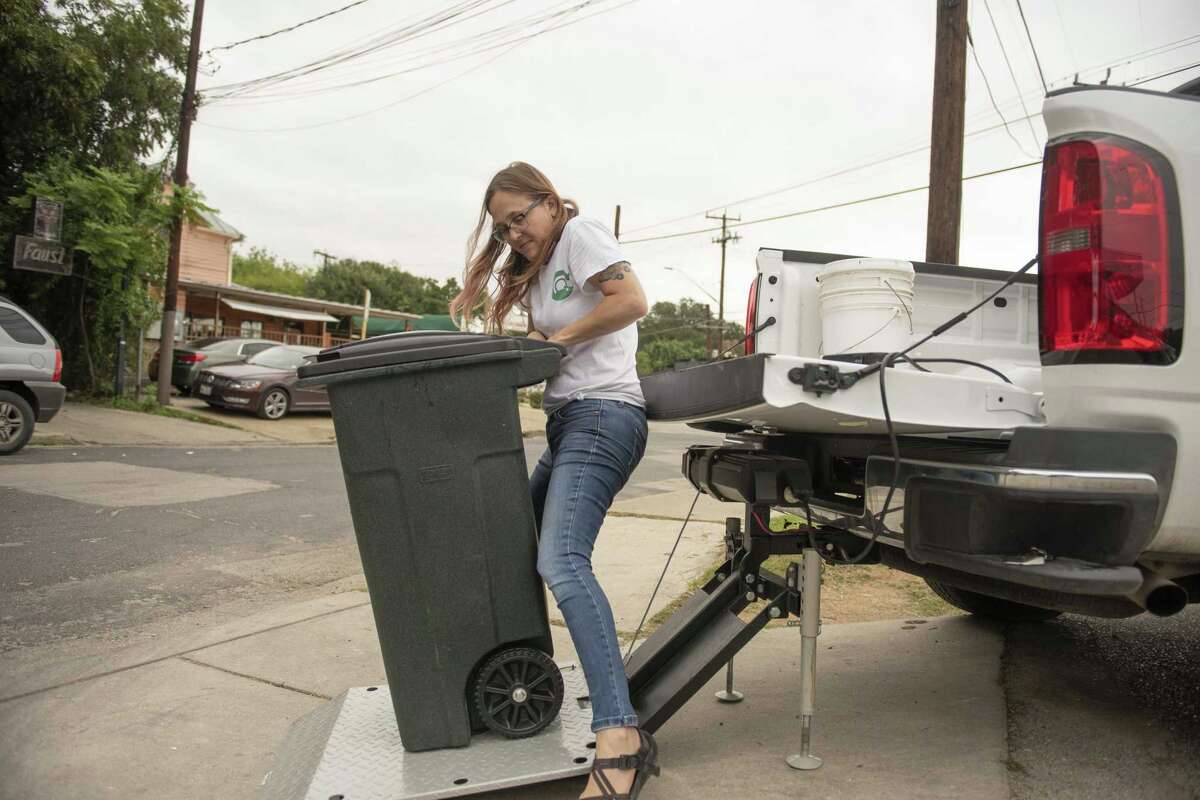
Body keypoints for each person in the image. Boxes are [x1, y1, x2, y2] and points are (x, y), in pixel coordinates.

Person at [451, 162, 659, 799]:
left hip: (606, 415)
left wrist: (556, 340)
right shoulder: (542, 268)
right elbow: (549, 342)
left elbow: (632, 301)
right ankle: (523, 677)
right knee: (519, 545)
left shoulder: (582, 234)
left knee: (562, 559)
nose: (514, 233)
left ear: (548, 202)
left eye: (520, 217)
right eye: (503, 227)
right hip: (571, 421)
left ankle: (620, 733)